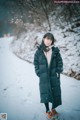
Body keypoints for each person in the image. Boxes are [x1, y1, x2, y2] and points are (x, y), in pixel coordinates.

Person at [34, 33, 63, 119]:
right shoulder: (38, 51)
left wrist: (58, 71)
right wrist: (39, 72)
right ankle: (47, 110)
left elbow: (60, 62)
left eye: (50, 40)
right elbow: (35, 63)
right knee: (45, 92)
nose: (48, 41)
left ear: (52, 41)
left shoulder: (55, 51)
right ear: (43, 39)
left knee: (55, 92)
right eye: (47, 39)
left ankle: (53, 108)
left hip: (53, 75)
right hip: (44, 76)